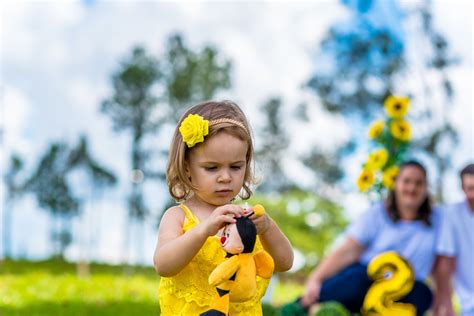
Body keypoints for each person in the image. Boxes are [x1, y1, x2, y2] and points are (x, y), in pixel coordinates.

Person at [153, 100, 294, 315]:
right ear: (186, 167)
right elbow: (164, 265)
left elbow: (285, 263)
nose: (226, 177)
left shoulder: (245, 220)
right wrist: (204, 229)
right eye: (212, 168)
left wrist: (267, 228)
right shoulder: (178, 217)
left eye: (236, 166)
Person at [284, 160, 439, 316]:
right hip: (367, 279)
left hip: (406, 289)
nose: (412, 188)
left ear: (426, 188)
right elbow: (348, 251)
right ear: (396, 184)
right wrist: (316, 279)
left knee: (423, 294)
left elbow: (444, 263)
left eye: (419, 183)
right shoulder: (377, 213)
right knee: (353, 282)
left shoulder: (438, 220)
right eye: (406, 181)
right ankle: (304, 307)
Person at [434, 163, 474, 316]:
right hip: (469, 305)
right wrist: (446, 303)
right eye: (470, 188)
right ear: (462, 189)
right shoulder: (452, 215)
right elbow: (445, 262)